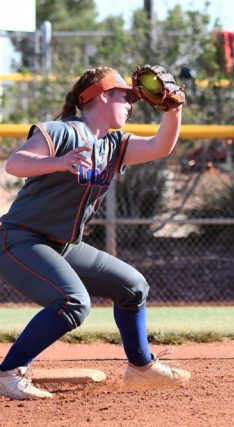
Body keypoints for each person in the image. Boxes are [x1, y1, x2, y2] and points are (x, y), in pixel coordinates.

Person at [0, 67, 190, 400]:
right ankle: (9, 373)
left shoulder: (113, 145)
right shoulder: (63, 131)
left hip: (64, 246)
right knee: (73, 302)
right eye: (125, 95)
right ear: (101, 94)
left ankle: (141, 368)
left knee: (133, 287)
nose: (132, 103)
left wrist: (174, 111)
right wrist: (58, 162)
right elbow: (15, 163)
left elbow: (161, 146)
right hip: (20, 239)